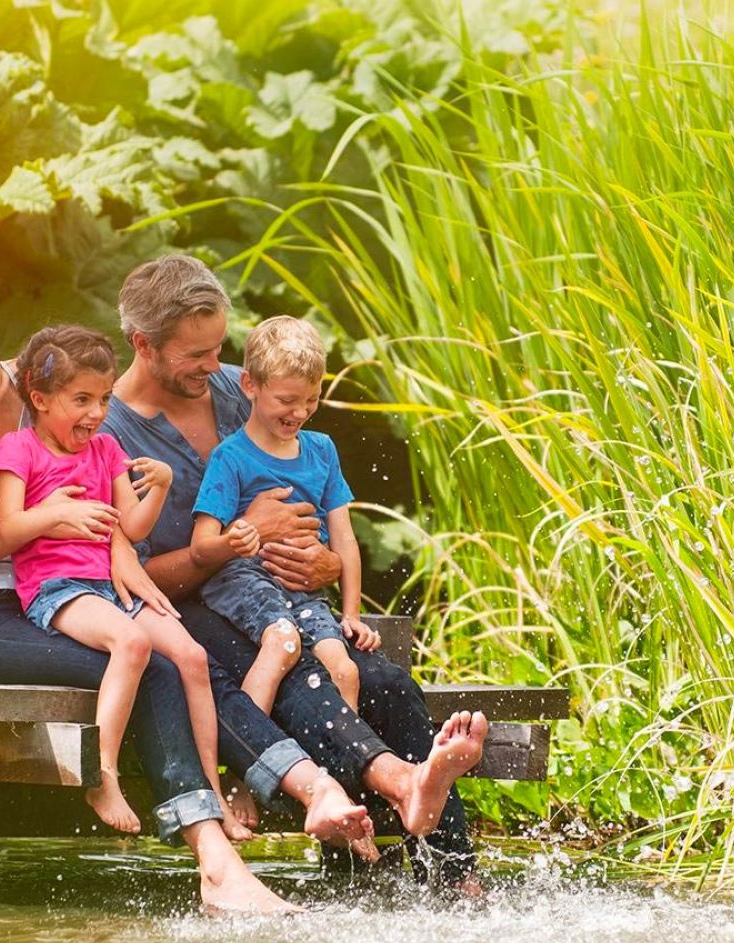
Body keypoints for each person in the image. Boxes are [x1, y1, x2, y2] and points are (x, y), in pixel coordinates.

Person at [0, 259, 374, 915]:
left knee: (186, 652)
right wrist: (41, 522)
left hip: (85, 581)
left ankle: (310, 791)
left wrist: (126, 556)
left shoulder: (35, 383)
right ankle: (216, 863)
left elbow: (103, 493)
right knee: (154, 665)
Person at [104, 254, 488, 885]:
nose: (214, 368)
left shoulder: (244, 387)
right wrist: (238, 538)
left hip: (288, 598)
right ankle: (393, 789)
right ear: (143, 345)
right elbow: (130, 575)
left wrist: (326, 564)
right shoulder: (112, 433)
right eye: (194, 355)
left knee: (385, 680)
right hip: (190, 611)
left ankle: (452, 874)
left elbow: (318, 514)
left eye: (218, 348)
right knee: (299, 676)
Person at [0, 323, 245, 839]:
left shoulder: (106, 450)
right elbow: (10, 529)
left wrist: (162, 487)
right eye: (80, 399)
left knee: (193, 658)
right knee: (131, 643)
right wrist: (55, 514)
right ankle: (102, 775)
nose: (96, 413)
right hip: (57, 587)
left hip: (113, 587)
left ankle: (212, 792)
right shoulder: (20, 449)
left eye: (104, 398)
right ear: (39, 399)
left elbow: (132, 527)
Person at [191, 315, 379, 715]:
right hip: (244, 577)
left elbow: (343, 536)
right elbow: (202, 546)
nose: (300, 412)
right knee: (283, 642)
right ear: (250, 386)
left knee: (345, 671)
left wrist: (352, 614)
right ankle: (253, 752)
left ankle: (345, 768)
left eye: (311, 400)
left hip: (303, 589)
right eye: (287, 400)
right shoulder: (231, 457)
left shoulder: (322, 450)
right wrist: (234, 539)